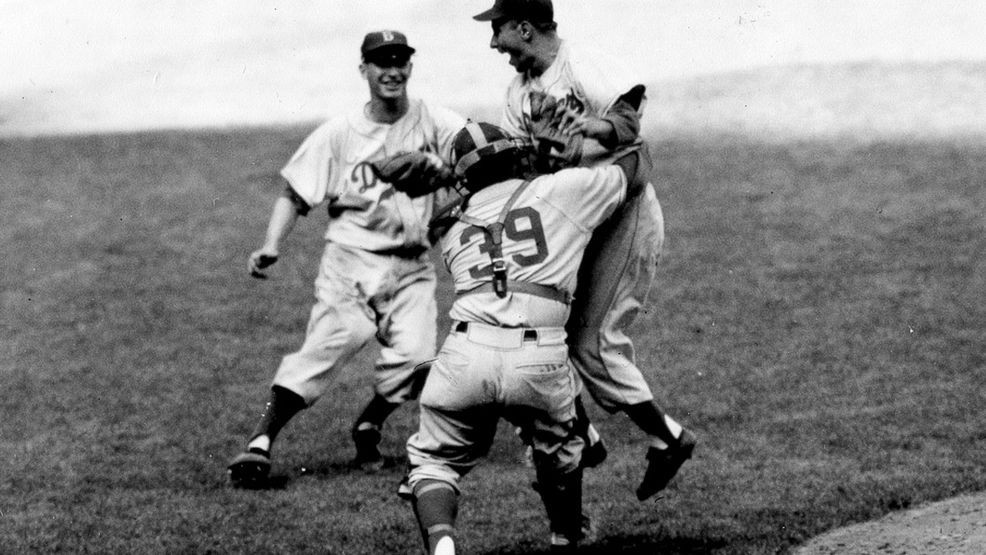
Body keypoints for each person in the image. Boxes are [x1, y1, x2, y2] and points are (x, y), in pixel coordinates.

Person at [377, 121, 653, 553]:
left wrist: (446, 177)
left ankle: (444, 543)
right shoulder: (564, 190)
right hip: (539, 356)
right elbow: (634, 169)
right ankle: (565, 536)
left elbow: (472, 204)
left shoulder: (451, 225)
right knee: (560, 455)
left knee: (434, 462)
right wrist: (621, 128)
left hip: (465, 352)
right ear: (517, 156)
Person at [473, 0, 697, 501]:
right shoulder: (518, 92)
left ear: (525, 28)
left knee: (592, 344)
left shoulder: (582, 62)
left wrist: (585, 128)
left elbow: (627, 124)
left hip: (624, 214)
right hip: (574, 222)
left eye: (499, 29)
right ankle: (584, 435)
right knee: (537, 332)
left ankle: (670, 439)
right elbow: (526, 167)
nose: (494, 43)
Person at [226, 30, 466, 487]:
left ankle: (369, 422)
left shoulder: (435, 120)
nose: (392, 70)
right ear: (365, 70)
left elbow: (474, 149)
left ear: (410, 67)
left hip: (412, 265)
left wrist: (448, 171)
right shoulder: (341, 132)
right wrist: (271, 244)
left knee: (417, 359)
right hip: (350, 261)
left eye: (400, 60)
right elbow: (294, 193)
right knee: (333, 342)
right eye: (381, 62)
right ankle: (259, 442)